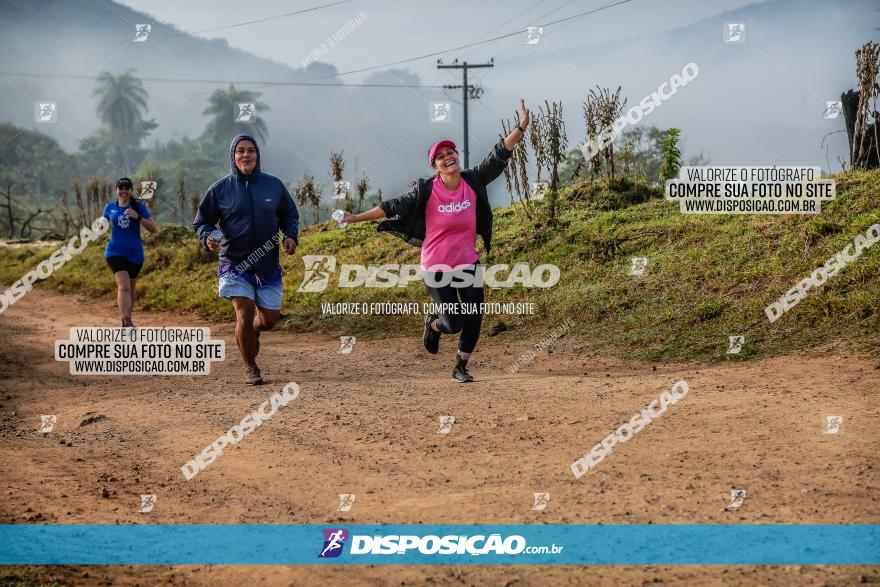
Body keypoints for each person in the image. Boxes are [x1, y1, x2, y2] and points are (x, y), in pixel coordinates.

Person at [338, 99, 530, 383]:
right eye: (441, 156)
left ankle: (460, 367)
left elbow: (498, 155)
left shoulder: (473, 180)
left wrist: (521, 127)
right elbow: (391, 206)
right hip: (437, 267)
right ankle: (434, 324)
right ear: (435, 166)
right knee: (454, 323)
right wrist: (355, 218)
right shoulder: (426, 190)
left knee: (474, 318)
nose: (448, 157)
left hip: (468, 263)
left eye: (451, 152)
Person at [193, 134, 299, 385]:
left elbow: (289, 215)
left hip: (267, 265)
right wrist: (207, 236)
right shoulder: (220, 189)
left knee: (269, 321)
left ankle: (253, 331)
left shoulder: (274, 186)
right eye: (240, 151)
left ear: (257, 155)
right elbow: (202, 221)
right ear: (233, 156)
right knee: (244, 312)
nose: (245, 155)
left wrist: (291, 236)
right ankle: (250, 365)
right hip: (234, 263)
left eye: (250, 150)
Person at [102, 177, 159, 328]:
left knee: (131, 290)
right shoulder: (110, 207)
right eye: (120, 188)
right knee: (124, 287)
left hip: (135, 254)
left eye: (127, 188)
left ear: (131, 191)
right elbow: (102, 222)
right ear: (116, 191)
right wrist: (101, 224)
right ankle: (128, 323)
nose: (124, 191)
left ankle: (126, 318)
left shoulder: (139, 207)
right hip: (114, 252)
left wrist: (138, 217)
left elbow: (153, 229)